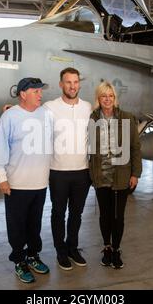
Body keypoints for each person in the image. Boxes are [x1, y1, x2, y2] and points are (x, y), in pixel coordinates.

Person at [0, 77, 53, 283]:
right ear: (23, 94)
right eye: (36, 91)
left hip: (40, 183)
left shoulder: (46, 114)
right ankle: (19, 260)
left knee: (34, 224)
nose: (40, 94)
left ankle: (33, 256)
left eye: (40, 91)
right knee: (17, 225)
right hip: (17, 184)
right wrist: (1, 178)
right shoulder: (9, 117)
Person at [88, 81, 142, 269]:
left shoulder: (127, 118)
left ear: (114, 99)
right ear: (99, 99)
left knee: (118, 217)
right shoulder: (92, 119)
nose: (107, 99)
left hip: (121, 177)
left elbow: (135, 148)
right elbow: (89, 149)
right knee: (105, 216)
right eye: (104, 96)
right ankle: (107, 248)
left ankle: (117, 249)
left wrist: (136, 174)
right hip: (101, 177)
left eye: (111, 96)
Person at [43, 68, 92, 271]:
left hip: (82, 171)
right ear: (61, 84)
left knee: (77, 214)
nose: (72, 86)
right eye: (68, 82)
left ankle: (73, 248)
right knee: (58, 213)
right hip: (58, 172)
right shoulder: (49, 107)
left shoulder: (87, 107)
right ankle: (60, 251)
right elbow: (31, 119)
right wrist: (12, 110)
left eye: (75, 82)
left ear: (79, 84)